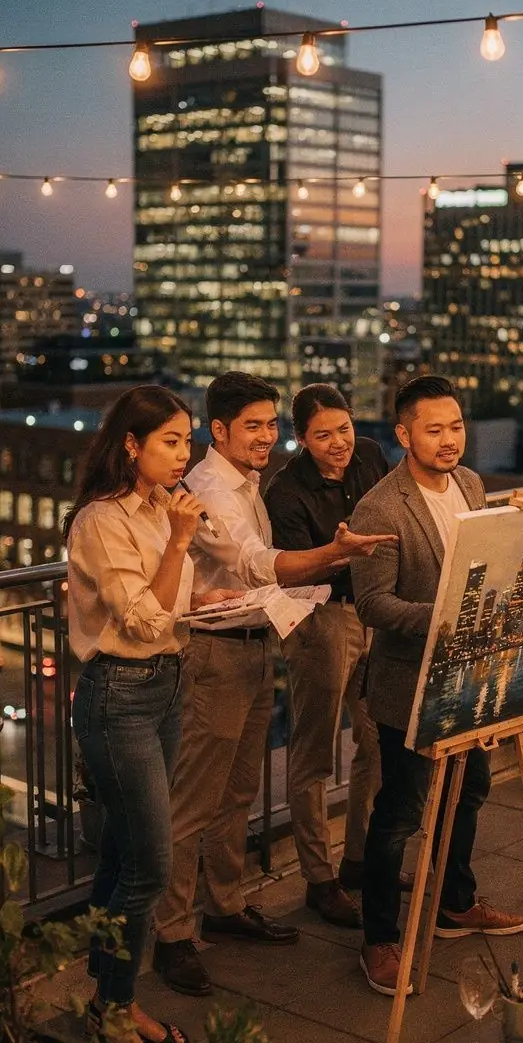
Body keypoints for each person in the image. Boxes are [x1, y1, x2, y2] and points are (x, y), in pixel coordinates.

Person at [153, 372, 396, 996]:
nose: (266, 436)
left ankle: (225, 905)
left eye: (270, 424)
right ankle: (171, 934)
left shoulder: (249, 482)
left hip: (257, 641)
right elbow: (257, 563)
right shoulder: (209, 488)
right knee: (194, 801)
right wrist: (337, 553)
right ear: (219, 430)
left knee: (237, 791)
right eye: (252, 426)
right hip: (216, 653)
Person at [350, 375, 523, 996]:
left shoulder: (471, 485)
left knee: (470, 790)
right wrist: (451, 614)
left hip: (469, 676)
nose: (450, 439)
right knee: (400, 813)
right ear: (404, 435)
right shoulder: (380, 508)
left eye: (456, 426)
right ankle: (378, 939)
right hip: (408, 682)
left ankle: (455, 903)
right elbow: (372, 604)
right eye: (434, 429)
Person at [66, 386, 206, 1043]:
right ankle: (114, 1008)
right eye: (169, 441)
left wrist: (214, 598)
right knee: (151, 864)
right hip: (118, 695)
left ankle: (109, 999)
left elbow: (172, 602)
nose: (183, 455)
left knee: (123, 856)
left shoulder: (157, 509)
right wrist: (180, 541)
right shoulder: (102, 520)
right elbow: (145, 620)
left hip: (166, 686)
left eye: (187, 441)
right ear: (131, 444)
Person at [264, 383, 388, 928]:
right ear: (301, 439)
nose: (339, 443)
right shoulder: (286, 491)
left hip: (374, 610)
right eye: (322, 435)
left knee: (377, 738)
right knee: (314, 751)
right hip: (322, 618)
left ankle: (361, 858)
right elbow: (296, 571)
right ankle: (319, 879)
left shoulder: (371, 456)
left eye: (344, 428)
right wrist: (339, 553)